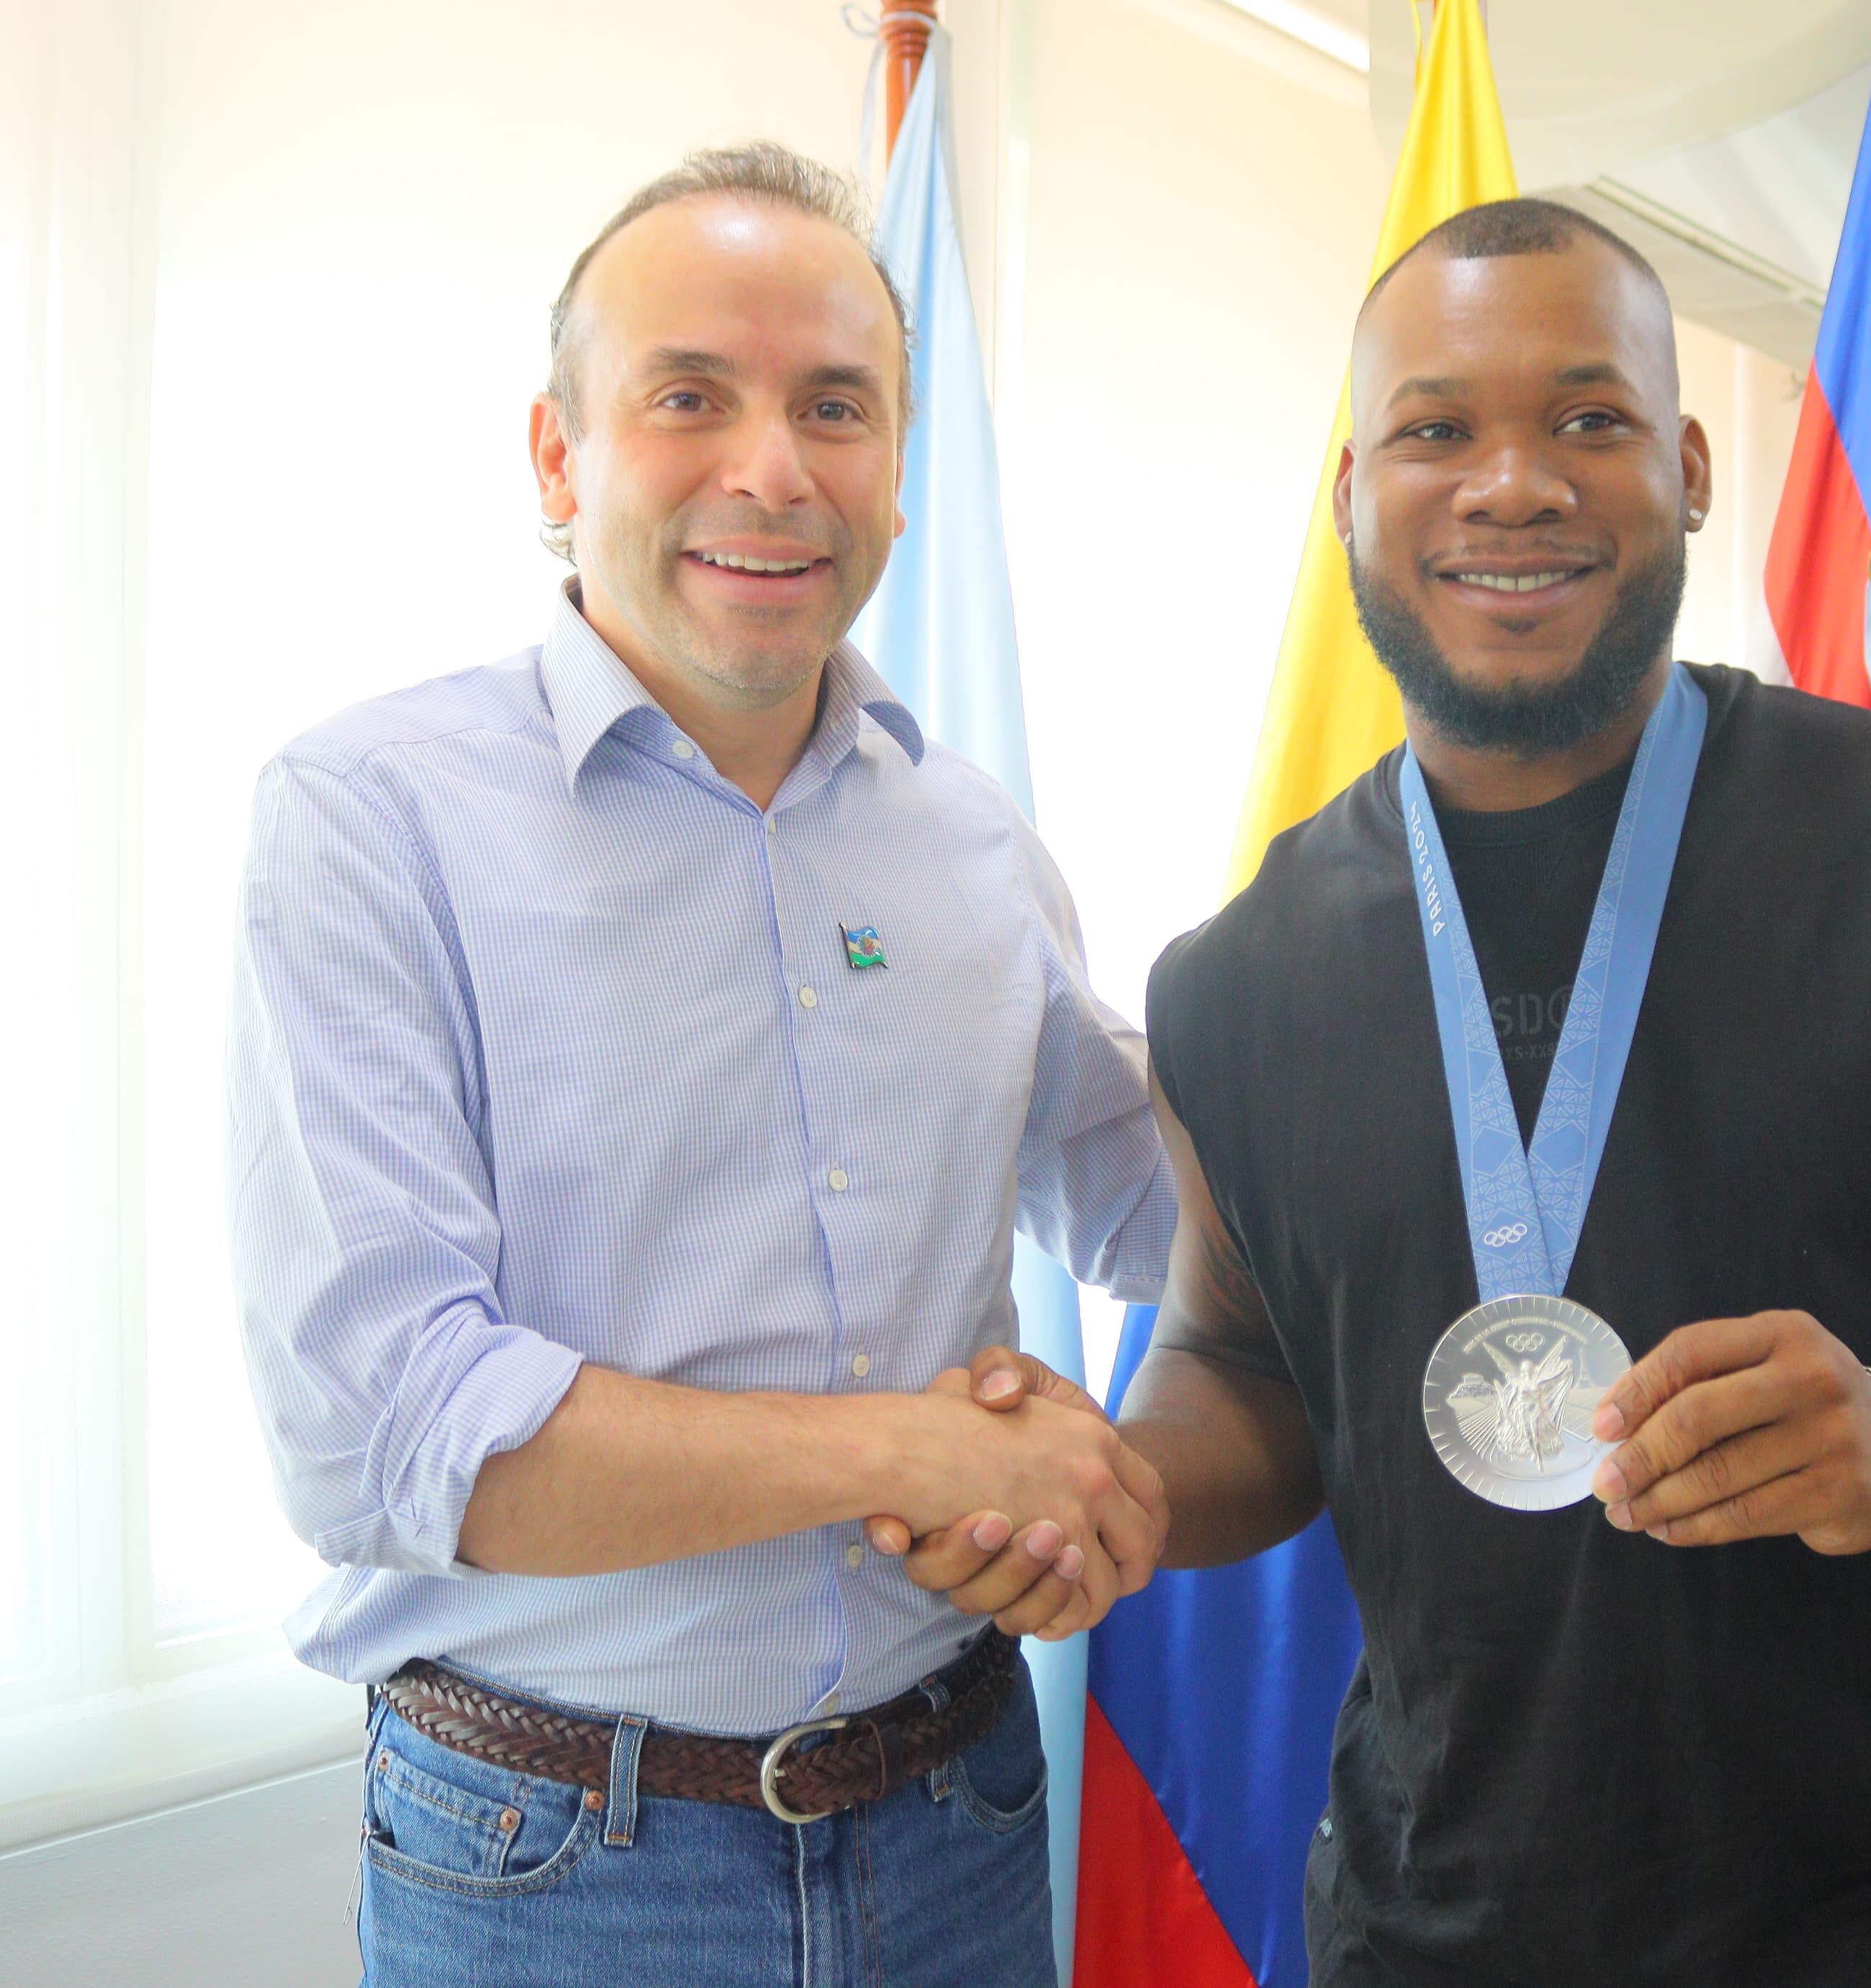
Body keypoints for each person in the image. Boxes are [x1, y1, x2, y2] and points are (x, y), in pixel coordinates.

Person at [893, 199, 1871, 1985]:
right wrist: (1112, 1473)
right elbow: (1248, 1363)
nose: (1511, 484)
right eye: (1435, 429)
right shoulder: (1236, 979)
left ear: (1687, 468)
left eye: (1586, 417)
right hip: (1431, 1928)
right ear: (1350, 495)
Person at [227, 143, 1167, 1988]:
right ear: (557, 456)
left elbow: (1158, 1205)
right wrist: (908, 1448)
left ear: (897, 465)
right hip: (563, 1868)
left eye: (836, 406)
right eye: (688, 397)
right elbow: (385, 1428)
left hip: (963, 1816)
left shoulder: (973, 839)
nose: (773, 468)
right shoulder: (368, 815)